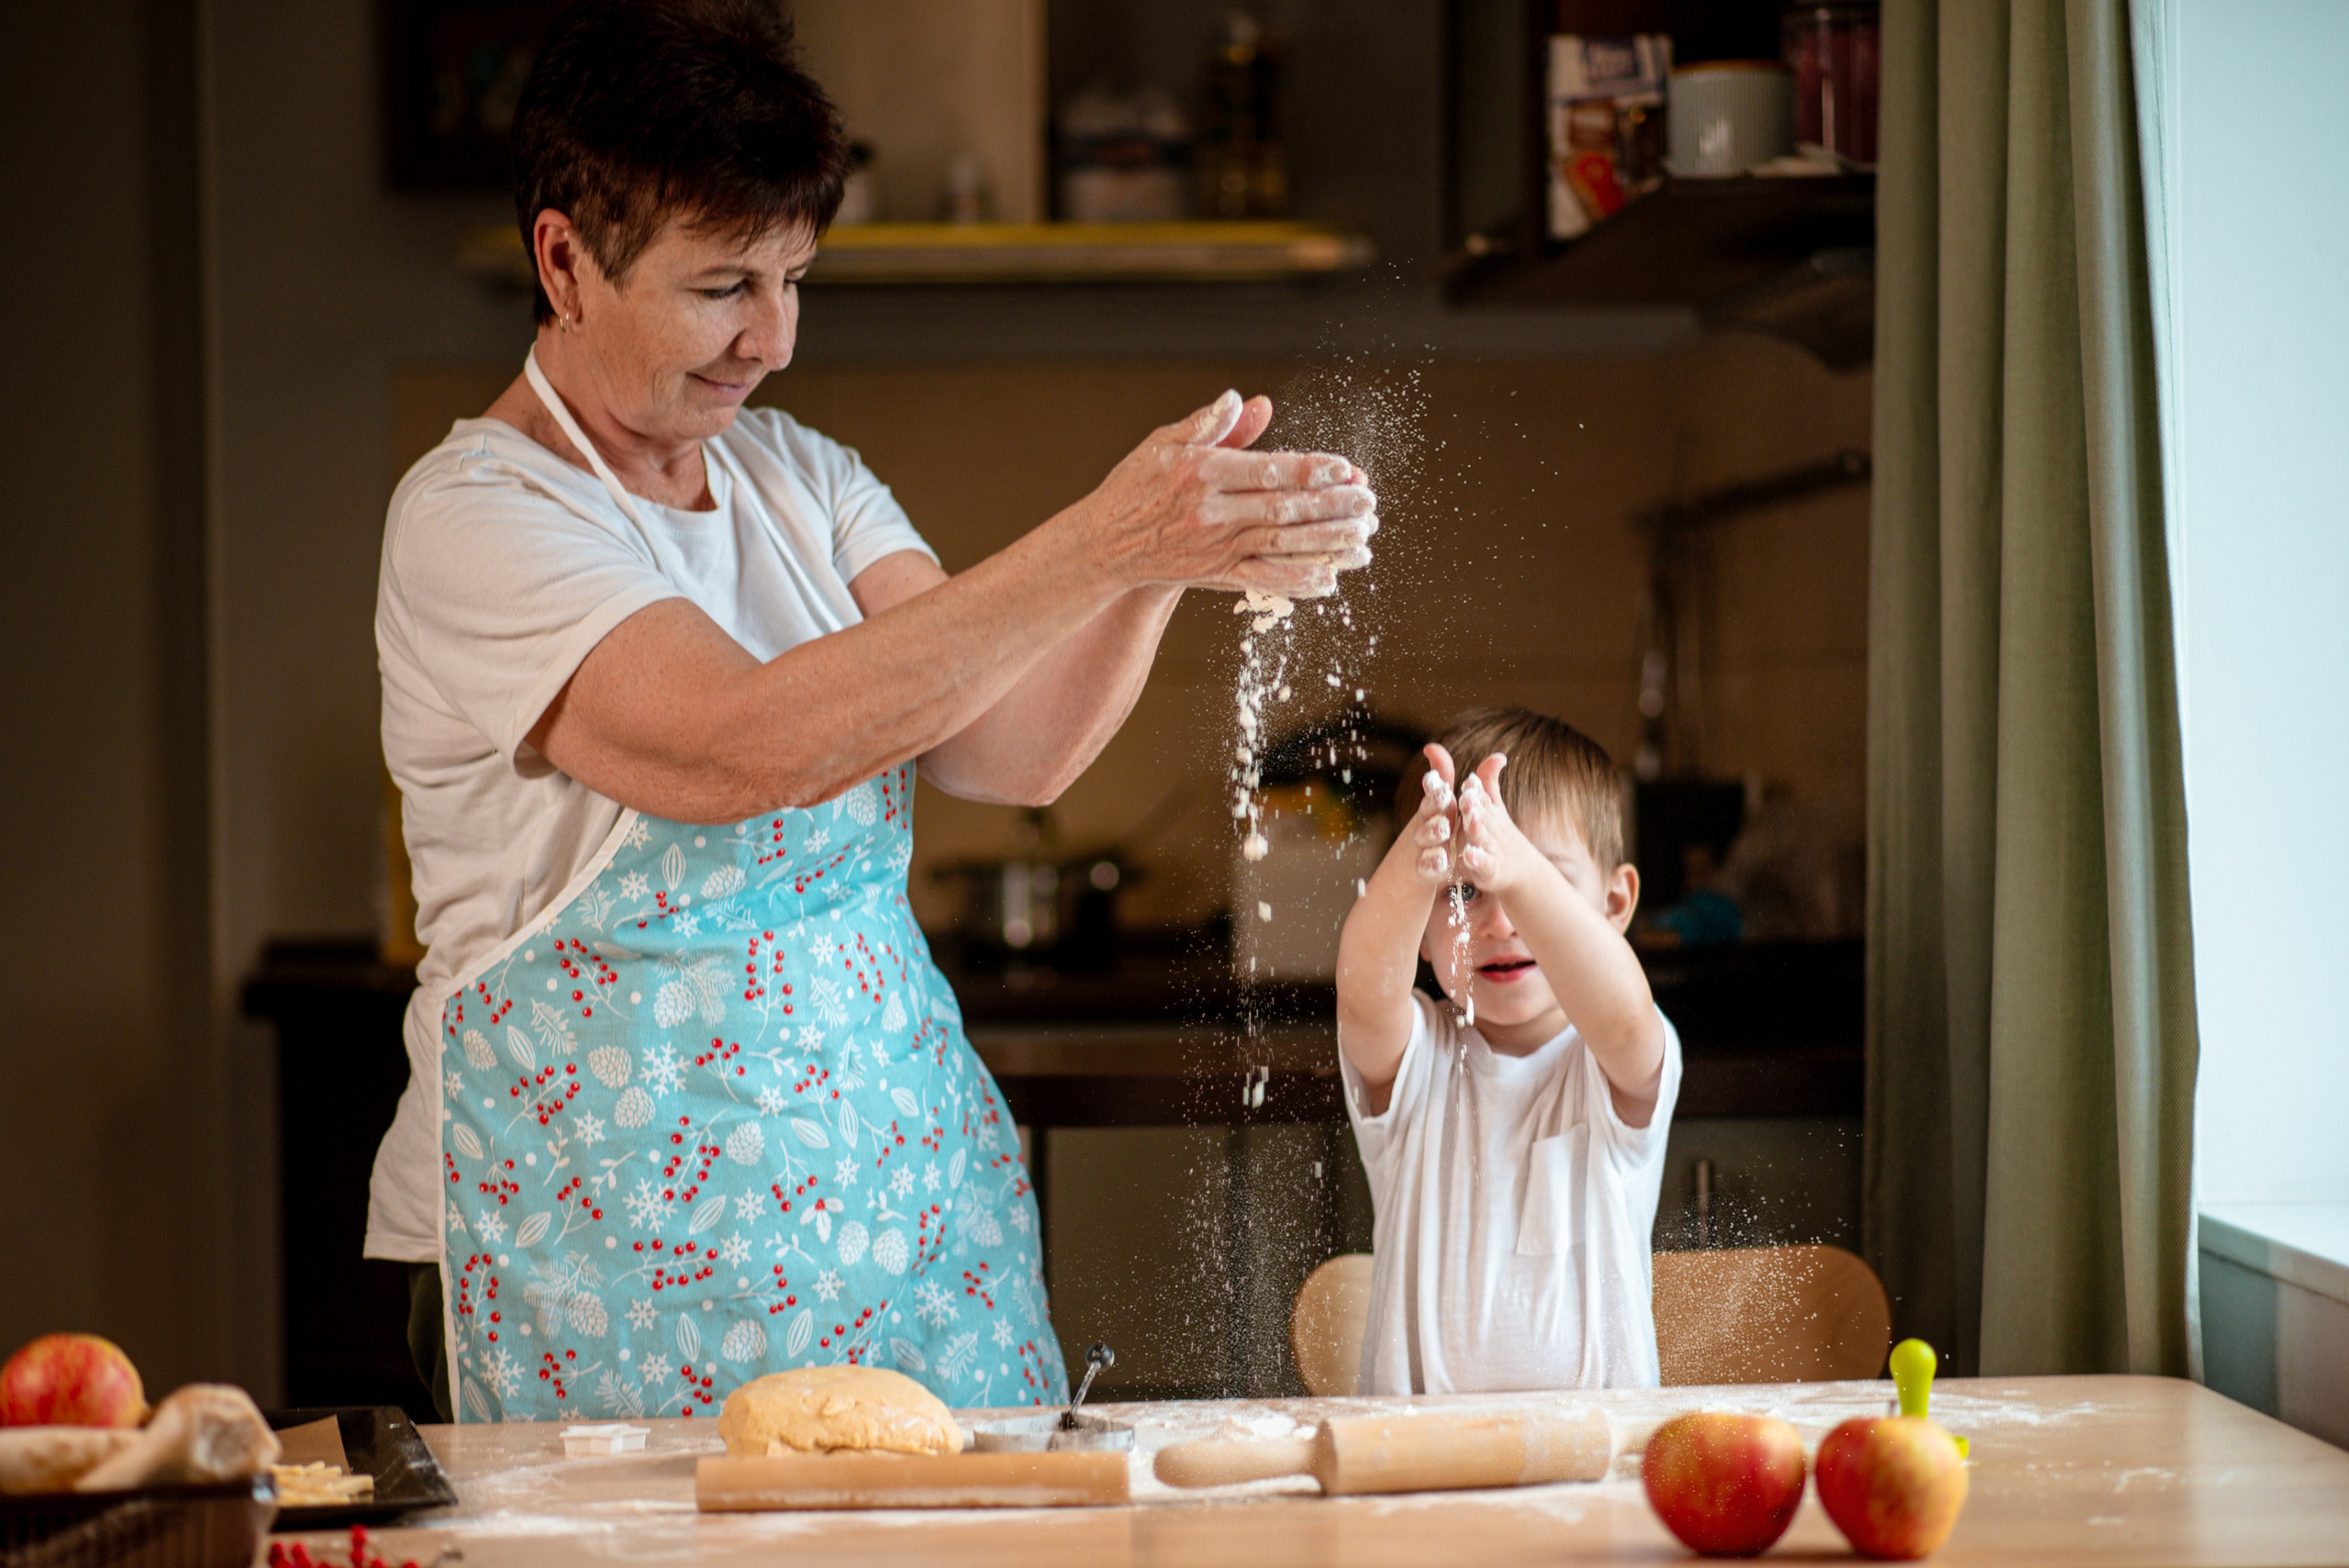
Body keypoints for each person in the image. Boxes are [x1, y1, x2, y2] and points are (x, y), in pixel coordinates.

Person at [363, 0, 1376, 1424]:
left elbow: (1011, 745)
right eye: (724, 286)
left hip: (894, 1208)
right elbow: (742, 745)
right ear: (565, 261)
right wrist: (1098, 540)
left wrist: (1158, 569)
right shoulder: (478, 515)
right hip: (599, 1245)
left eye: (793, 279)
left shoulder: (798, 475)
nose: (770, 341)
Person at [1333, 708, 1681, 1393]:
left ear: (1615, 904)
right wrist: (1411, 866)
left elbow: (1623, 1012)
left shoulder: (1610, 1064)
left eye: (1534, 883)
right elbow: (1364, 989)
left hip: (1596, 1468)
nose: (1497, 919)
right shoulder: (1417, 1060)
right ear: (1422, 932)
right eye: (1462, 891)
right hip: (1417, 1469)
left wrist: (1516, 871)